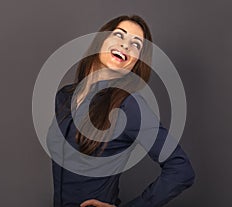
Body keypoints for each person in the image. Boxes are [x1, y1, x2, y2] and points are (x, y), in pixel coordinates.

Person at [47, 15, 195, 207]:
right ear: (101, 40)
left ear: (135, 62)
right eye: (119, 35)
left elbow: (181, 170)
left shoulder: (129, 105)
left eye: (136, 45)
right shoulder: (65, 96)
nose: (126, 45)